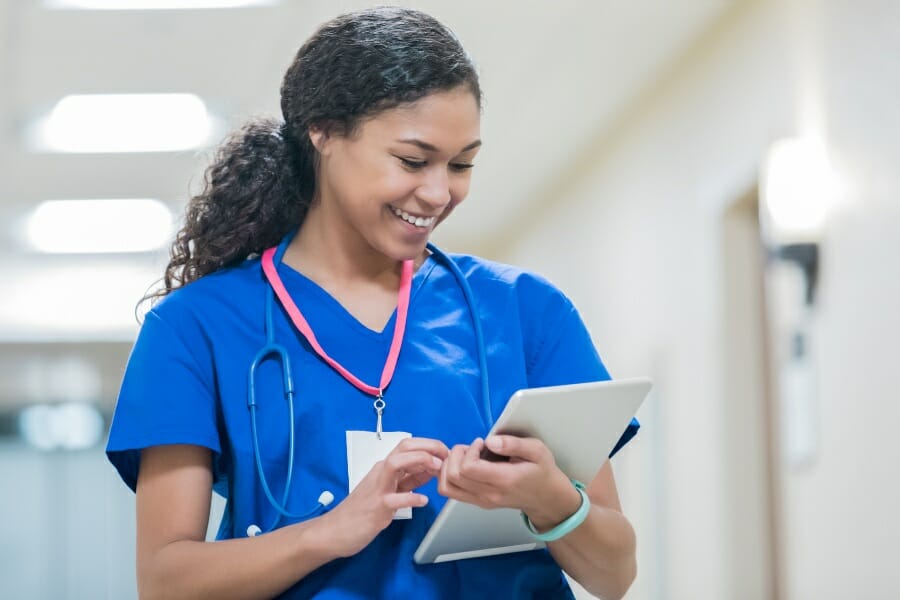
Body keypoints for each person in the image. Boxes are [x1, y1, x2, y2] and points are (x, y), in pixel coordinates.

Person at [106, 7, 639, 599]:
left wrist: (551, 500)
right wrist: (329, 532)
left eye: (461, 164)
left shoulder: (526, 312)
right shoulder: (194, 330)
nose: (439, 192)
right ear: (324, 132)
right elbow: (165, 582)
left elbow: (614, 574)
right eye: (413, 161)